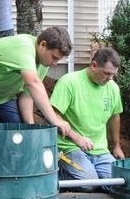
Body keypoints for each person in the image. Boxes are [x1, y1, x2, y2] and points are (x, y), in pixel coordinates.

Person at [0, 26, 72, 137]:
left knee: (18, 131)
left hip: (2, 94)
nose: (55, 63)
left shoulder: (43, 64)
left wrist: (30, 126)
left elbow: (27, 94)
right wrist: (55, 120)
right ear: (43, 44)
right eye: (54, 57)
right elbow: (33, 83)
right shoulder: (24, 47)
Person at [49, 47, 125, 190]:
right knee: (88, 185)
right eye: (107, 74)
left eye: (113, 75)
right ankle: (57, 173)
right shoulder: (69, 82)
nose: (110, 79)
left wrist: (116, 146)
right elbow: (52, 115)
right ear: (94, 65)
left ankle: (90, 174)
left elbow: (115, 117)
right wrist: (76, 138)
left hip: (100, 150)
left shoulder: (113, 88)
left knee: (116, 185)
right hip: (69, 148)